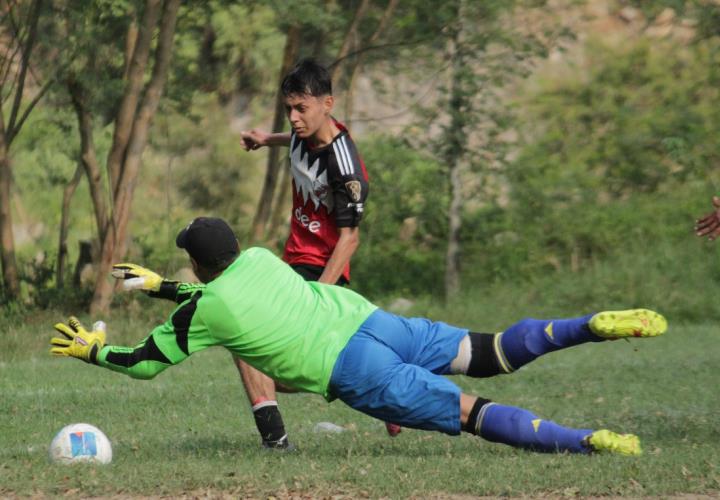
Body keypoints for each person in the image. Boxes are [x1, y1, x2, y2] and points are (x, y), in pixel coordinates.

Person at [51, 217, 667, 456]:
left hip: (353, 368)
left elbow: (142, 363)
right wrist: (160, 285)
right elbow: (221, 300)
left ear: (200, 266)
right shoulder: (262, 258)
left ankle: (588, 444)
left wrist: (92, 350)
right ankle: (586, 326)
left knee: (473, 414)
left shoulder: (204, 310)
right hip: (373, 322)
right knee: (492, 351)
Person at [235, 58, 386, 446]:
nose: (294, 117)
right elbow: (297, 141)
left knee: (245, 332)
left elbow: (350, 239)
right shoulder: (302, 131)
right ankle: (381, 392)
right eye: (289, 108)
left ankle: (275, 439)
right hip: (294, 262)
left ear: (328, 104)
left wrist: (319, 294)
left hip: (320, 269)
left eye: (301, 108)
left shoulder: (345, 167)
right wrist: (266, 138)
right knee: (272, 362)